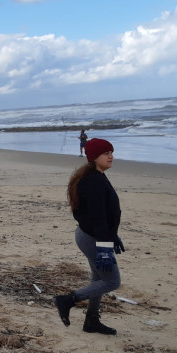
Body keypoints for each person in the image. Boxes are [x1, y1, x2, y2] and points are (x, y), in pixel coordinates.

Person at [54, 138, 123, 336]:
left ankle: (91, 320)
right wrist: (105, 246)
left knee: (98, 278)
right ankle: (68, 299)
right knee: (112, 281)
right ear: (94, 157)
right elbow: (98, 217)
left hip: (92, 236)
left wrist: (113, 236)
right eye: (105, 153)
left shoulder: (96, 176)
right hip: (93, 239)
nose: (110, 156)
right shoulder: (93, 181)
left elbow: (101, 215)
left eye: (111, 152)